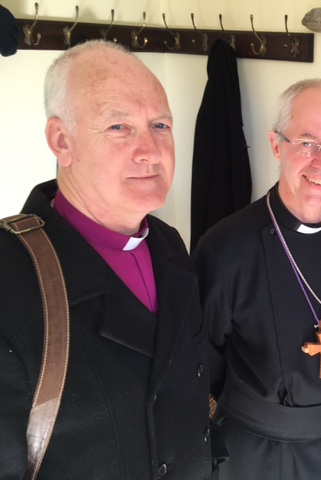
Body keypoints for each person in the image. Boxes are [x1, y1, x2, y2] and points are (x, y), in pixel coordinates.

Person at [0, 40, 222, 479]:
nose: (151, 151)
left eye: (160, 125)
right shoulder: (9, 276)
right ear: (62, 140)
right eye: (119, 126)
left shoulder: (169, 245)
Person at [192, 78, 321, 480]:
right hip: (254, 452)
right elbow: (201, 363)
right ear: (276, 144)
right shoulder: (225, 247)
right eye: (308, 143)